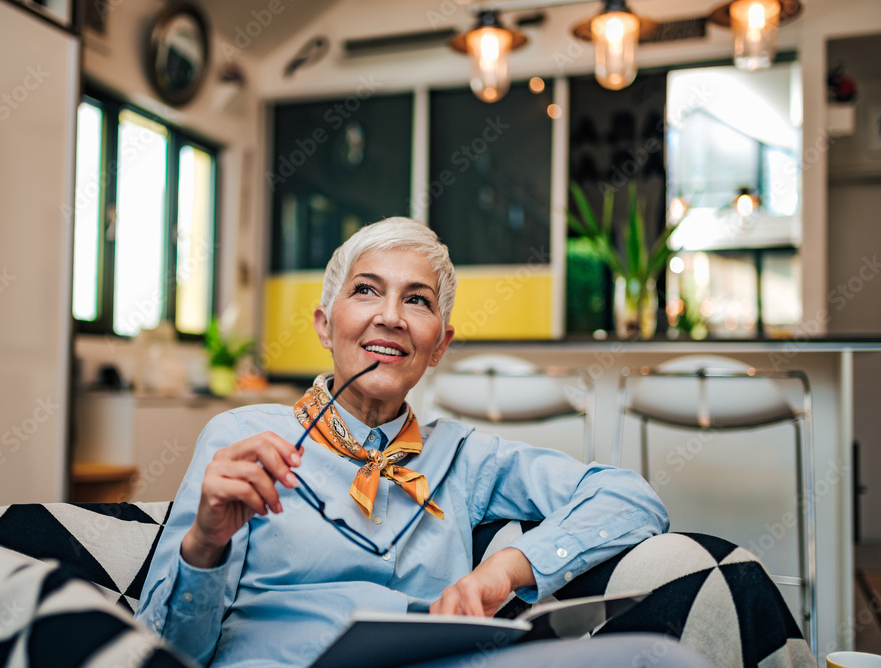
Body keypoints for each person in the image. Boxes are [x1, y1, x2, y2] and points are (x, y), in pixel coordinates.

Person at [135, 218, 712, 668]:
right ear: (324, 324)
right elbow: (169, 654)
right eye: (367, 290)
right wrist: (205, 544)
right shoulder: (241, 439)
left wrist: (504, 571)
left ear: (439, 345)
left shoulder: (466, 458)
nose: (391, 317)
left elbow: (629, 498)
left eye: (417, 300)